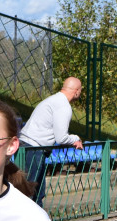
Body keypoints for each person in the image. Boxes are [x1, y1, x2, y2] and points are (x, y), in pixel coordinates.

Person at [18, 77, 84, 206]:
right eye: (81, 90)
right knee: (30, 192)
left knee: (36, 192)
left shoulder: (54, 100)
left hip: (29, 146)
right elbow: (61, 138)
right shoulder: (63, 106)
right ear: (76, 91)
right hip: (34, 148)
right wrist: (76, 138)